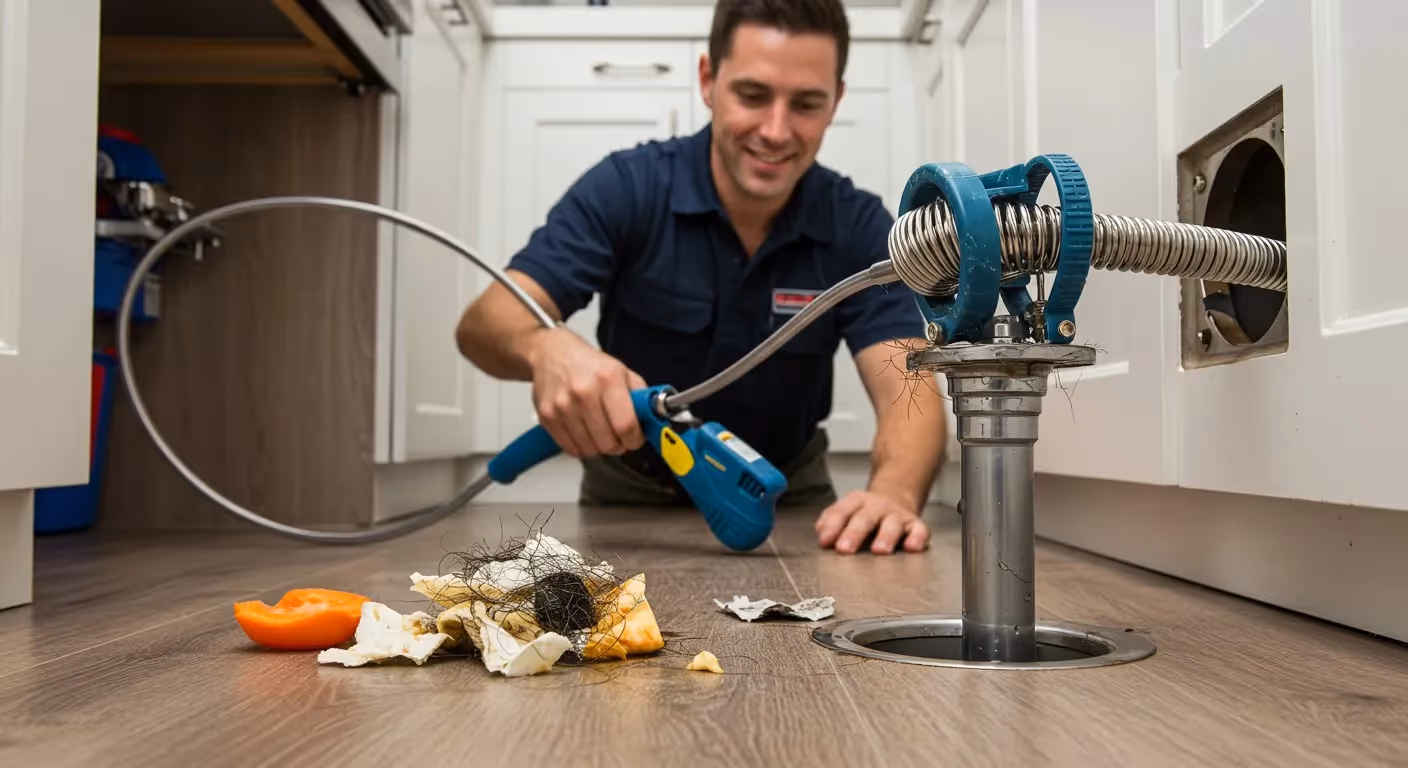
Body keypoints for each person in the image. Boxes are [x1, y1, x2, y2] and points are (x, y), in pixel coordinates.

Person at [455, 0, 946, 555]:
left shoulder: (858, 225)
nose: (776, 131)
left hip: (785, 497)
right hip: (630, 494)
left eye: (806, 104)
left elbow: (910, 387)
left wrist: (893, 494)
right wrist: (545, 348)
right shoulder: (626, 187)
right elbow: (484, 324)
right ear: (708, 80)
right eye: (753, 95)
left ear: (835, 101)